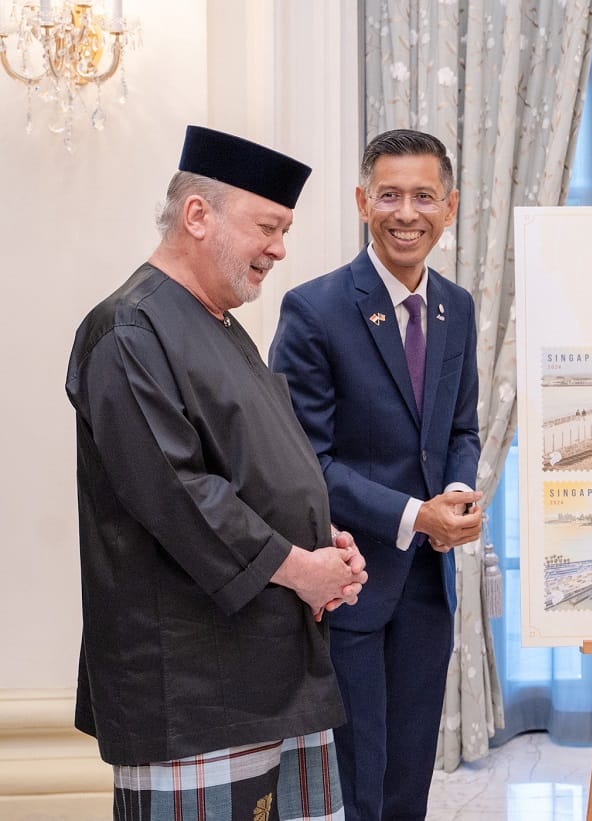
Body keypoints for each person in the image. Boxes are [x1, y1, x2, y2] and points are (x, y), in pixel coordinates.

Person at [66, 125, 368, 819]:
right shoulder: (128, 329)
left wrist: (324, 545)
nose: (280, 249)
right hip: (193, 680)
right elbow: (181, 496)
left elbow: (260, 471)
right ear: (198, 215)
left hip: (270, 661)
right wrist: (303, 568)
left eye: (286, 231)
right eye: (268, 227)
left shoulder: (223, 326)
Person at [269, 129, 483, 820]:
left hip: (428, 588)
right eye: (389, 195)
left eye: (424, 196)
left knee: (409, 784)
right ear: (363, 202)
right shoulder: (314, 309)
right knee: (359, 787)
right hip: (351, 587)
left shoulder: (458, 307)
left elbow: (460, 430)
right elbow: (302, 461)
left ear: (450, 206)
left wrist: (455, 497)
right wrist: (414, 515)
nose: (406, 213)